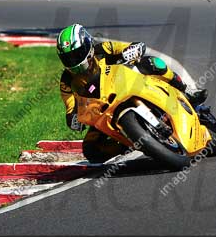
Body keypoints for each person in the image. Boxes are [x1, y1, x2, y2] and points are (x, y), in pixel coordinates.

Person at [57, 23, 207, 162]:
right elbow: (70, 108)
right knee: (90, 150)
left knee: (153, 63)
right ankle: (129, 143)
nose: (73, 60)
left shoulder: (102, 49)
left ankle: (187, 90)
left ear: (88, 45)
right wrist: (74, 120)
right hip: (103, 108)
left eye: (76, 54)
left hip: (127, 82)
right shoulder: (66, 80)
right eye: (67, 58)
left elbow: (131, 47)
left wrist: (131, 51)